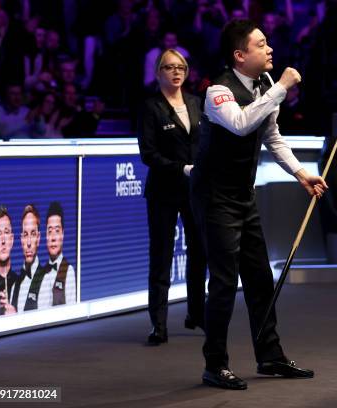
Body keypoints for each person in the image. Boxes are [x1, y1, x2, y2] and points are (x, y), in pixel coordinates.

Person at [191, 19, 327, 390]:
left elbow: (270, 135)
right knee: (222, 282)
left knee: (260, 278)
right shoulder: (218, 90)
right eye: (261, 44)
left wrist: (301, 174)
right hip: (214, 196)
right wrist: (282, 87)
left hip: (242, 194)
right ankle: (214, 365)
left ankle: (270, 356)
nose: (270, 50)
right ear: (240, 55)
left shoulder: (265, 85)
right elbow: (239, 123)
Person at [137, 49, 207, 346]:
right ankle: (159, 324)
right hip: (163, 191)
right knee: (161, 256)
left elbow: (204, 145)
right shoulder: (150, 107)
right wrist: (183, 168)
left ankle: (196, 314)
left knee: (199, 253)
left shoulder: (195, 103)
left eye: (181, 67)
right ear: (158, 73)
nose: (176, 72)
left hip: (195, 191)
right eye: (169, 67)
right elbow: (148, 155)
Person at [10, 205, 49, 313]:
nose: (28, 243)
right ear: (21, 239)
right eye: (25, 235)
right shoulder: (15, 285)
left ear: (39, 238)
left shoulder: (46, 280)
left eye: (33, 234)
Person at [45, 202, 76, 306]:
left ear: (63, 234)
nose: (53, 238)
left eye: (57, 231)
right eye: (50, 231)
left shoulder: (68, 271)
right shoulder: (40, 272)